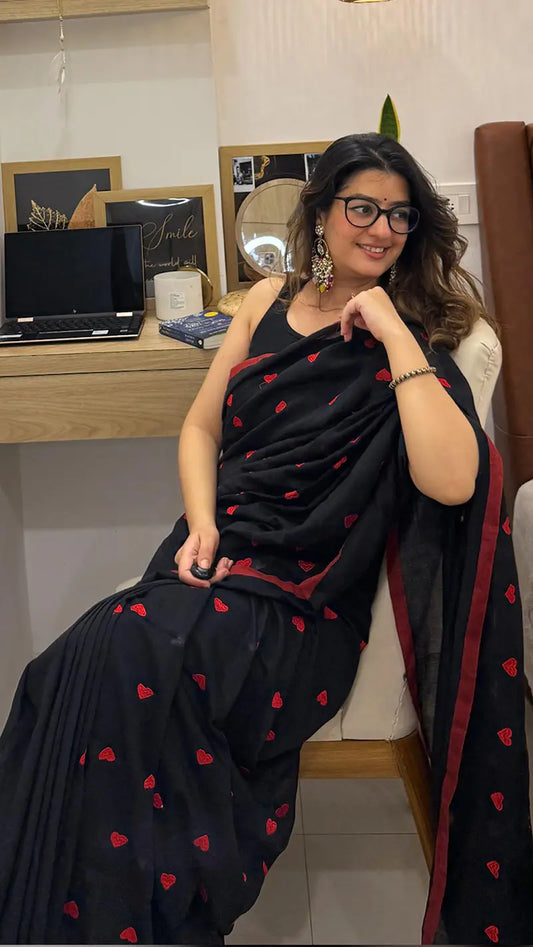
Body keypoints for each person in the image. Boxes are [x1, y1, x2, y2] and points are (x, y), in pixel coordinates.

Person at [0, 133, 532, 946]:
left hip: (304, 598)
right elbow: (201, 427)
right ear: (321, 215)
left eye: (398, 213)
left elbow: (452, 479)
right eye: (362, 207)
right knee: (71, 665)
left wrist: (391, 334)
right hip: (220, 553)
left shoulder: (421, 334)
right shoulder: (266, 301)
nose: (380, 228)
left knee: (127, 646)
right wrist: (203, 523)